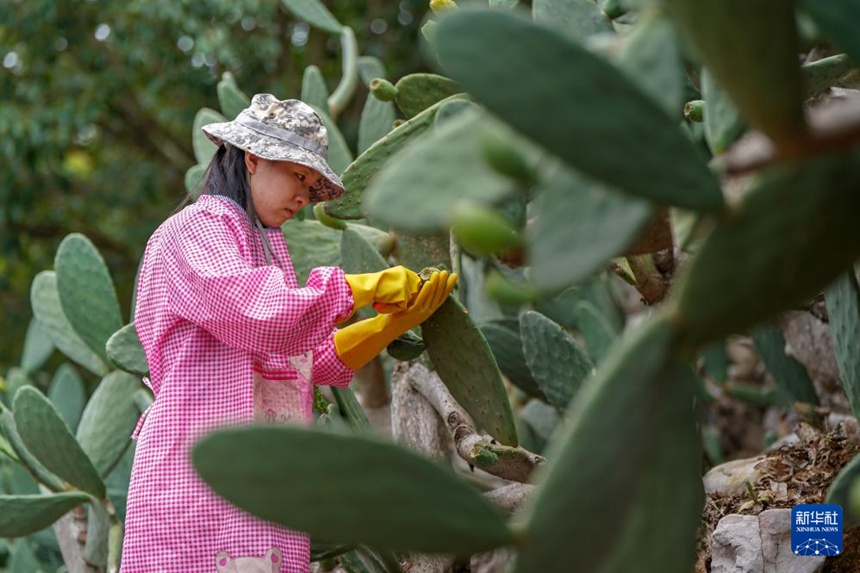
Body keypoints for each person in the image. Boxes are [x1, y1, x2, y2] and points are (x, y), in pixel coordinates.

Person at [120, 94, 457, 573]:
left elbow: (302, 357)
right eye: (299, 176)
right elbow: (263, 314)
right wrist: (365, 284)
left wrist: (389, 325)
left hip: (263, 483)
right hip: (197, 479)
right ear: (252, 158)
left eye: (313, 184)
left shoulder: (261, 245)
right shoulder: (195, 229)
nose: (305, 196)